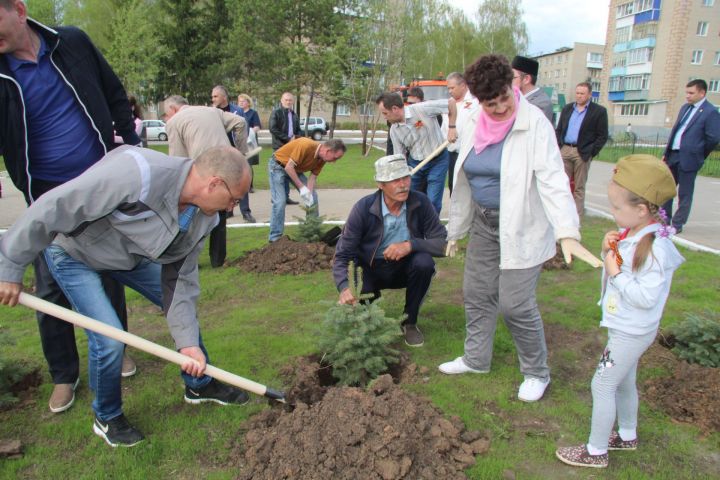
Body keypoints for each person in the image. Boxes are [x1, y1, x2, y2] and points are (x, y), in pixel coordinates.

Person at [0, 145, 254, 448]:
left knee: (183, 310)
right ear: (214, 183)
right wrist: (11, 264)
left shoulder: (205, 218)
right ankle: (107, 416)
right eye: (233, 200)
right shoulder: (136, 173)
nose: (231, 209)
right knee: (109, 338)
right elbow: (54, 206)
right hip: (73, 254)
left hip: (128, 257)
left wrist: (187, 345)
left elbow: (180, 282)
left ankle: (198, 385)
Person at [0, 0, 138, 413]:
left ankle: (120, 346)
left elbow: (115, 94)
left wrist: (131, 149)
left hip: (101, 189)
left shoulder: (73, 42)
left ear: (19, 10)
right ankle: (64, 374)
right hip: (45, 199)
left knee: (111, 271)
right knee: (50, 287)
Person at [438, 54, 600, 403]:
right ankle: (476, 359)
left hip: (521, 225)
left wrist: (567, 231)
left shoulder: (535, 123)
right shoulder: (472, 119)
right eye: (489, 104)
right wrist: (456, 229)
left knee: (515, 304)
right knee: (477, 294)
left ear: (514, 87)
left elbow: (554, 181)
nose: (498, 110)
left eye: (503, 101)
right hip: (483, 223)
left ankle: (536, 372)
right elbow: (464, 175)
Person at [556, 154, 684, 469]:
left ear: (641, 210)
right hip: (629, 327)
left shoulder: (655, 249)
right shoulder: (636, 234)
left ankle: (595, 451)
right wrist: (608, 248)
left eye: (616, 208)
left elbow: (644, 296)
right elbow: (623, 263)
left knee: (602, 384)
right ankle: (627, 434)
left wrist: (615, 272)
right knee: (625, 381)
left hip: (632, 330)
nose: (612, 213)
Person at [333, 155, 447, 347]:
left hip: (405, 267)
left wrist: (410, 245)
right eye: (395, 180)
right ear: (381, 184)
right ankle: (369, 313)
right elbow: (342, 254)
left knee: (424, 263)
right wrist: (344, 287)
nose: (403, 185)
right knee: (365, 315)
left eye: (406, 177)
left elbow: (442, 243)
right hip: (371, 269)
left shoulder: (421, 202)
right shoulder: (363, 208)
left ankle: (409, 322)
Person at [163, 95, 248, 267]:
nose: (167, 117)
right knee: (221, 212)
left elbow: (176, 160)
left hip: (202, 175)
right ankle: (218, 260)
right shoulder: (212, 111)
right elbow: (241, 122)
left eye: (166, 114)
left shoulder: (174, 122)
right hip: (226, 168)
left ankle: (187, 259)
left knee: (192, 216)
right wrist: (239, 153)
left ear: (173, 109)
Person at [376, 92, 457, 214]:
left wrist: (452, 128)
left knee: (433, 200)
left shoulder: (421, 109)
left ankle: (431, 230)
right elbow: (400, 157)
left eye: (385, 113)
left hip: (438, 160)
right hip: (415, 165)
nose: (384, 117)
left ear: (395, 109)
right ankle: (414, 228)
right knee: (410, 199)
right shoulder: (394, 130)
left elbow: (451, 103)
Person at [661, 79, 720, 234]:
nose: (687, 96)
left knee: (684, 193)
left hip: (689, 158)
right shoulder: (685, 108)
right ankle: (664, 220)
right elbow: (677, 130)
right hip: (673, 155)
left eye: (691, 93)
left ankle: (677, 224)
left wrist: (698, 153)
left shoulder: (710, 112)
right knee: (666, 189)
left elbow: (713, 138)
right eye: (686, 92)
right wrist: (666, 153)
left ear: (702, 93)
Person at [268, 137, 346, 242]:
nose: (334, 162)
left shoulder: (322, 159)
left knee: (313, 196)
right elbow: (288, 167)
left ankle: (312, 233)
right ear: (328, 151)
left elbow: (312, 177)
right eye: (335, 158)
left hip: (295, 169)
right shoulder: (305, 145)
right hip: (277, 166)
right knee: (280, 201)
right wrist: (302, 188)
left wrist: (308, 193)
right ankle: (275, 238)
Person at [556, 82, 609, 219]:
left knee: (579, 188)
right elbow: (560, 129)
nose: (579, 96)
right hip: (566, 149)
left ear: (589, 95)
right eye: (577, 93)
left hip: (582, 152)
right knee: (562, 185)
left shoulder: (598, 111)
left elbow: (602, 135)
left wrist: (591, 152)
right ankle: (561, 216)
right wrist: (559, 146)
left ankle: (576, 218)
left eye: (582, 93)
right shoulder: (568, 109)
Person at [211, 85, 256, 222]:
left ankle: (246, 211)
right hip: (219, 153)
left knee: (240, 181)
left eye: (215, 96)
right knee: (223, 182)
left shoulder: (237, 111)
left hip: (236, 151)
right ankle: (227, 209)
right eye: (212, 96)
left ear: (224, 97)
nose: (213, 99)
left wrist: (240, 150)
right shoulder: (211, 112)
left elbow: (243, 128)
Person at [446, 72, 480, 194]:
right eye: (448, 88)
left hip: (469, 152)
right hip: (451, 152)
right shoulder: (449, 103)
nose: (450, 91)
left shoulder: (476, 102)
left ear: (463, 85)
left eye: (452, 88)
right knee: (453, 184)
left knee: (467, 186)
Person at [269, 91, 302, 205]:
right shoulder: (276, 113)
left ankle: (286, 197)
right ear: (281, 101)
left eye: (290, 100)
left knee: (289, 171)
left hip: (292, 148)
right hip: (280, 147)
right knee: (278, 174)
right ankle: (276, 197)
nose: (288, 102)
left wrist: (299, 137)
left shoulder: (294, 114)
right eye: (286, 100)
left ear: (293, 101)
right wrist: (288, 139)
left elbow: (298, 129)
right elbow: (273, 129)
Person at [511, 55, 553, 123]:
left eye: (512, 77)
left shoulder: (542, 104)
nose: (509, 81)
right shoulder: (516, 97)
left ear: (526, 79)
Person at [237, 93, 261, 202]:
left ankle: (250, 185)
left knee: (248, 164)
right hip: (239, 142)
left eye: (243, 101)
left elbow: (257, 126)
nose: (241, 103)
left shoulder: (253, 113)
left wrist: (250, 131)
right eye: (240, 101)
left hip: (250, 142)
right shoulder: (237, 112)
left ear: (248, 102)